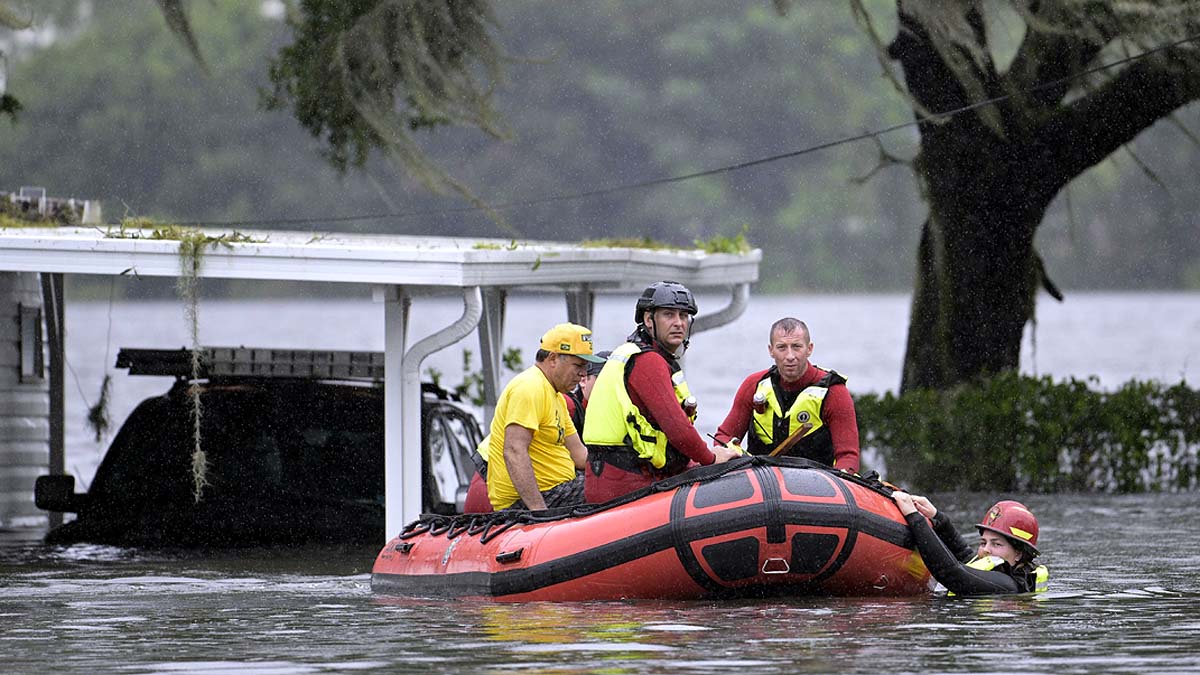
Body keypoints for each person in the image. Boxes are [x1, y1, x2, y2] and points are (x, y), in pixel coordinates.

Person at [583, 281, 741, 503]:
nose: (678, 323)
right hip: (625, 485)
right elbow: (678, 430)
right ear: (649, 320)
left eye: (684, 316)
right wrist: (712, 457)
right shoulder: (648, 362)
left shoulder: (635, 354)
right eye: (669, 315)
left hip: (619, 477)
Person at [464, 350, 610, 514]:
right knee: (602, 490)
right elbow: (514, 451)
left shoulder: (561, 398)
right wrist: (539, 512)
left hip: (524, 479)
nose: (611, 388)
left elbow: (581, 456)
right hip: (492, 483)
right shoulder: (563, 402)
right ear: (584, 380)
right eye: (605, 381)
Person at [712, 317, 860, 473]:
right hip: (761, 481)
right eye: (782, 347)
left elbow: (848, 456)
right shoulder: (754, 385)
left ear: (809, 349)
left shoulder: (834, 392)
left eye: (796, 347)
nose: (790, 356)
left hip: (817, 484)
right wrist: (731, 456)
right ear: (771, 350)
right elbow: (724, 437)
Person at [892, 492, 1048, 595]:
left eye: (996, 544)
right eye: (983, 542)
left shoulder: (1008, 586)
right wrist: (937, 517)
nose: (986, 550)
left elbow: (952, 573)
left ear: (1019, 554)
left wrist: (915, 518)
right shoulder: (1000, 569)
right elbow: (964, 554)